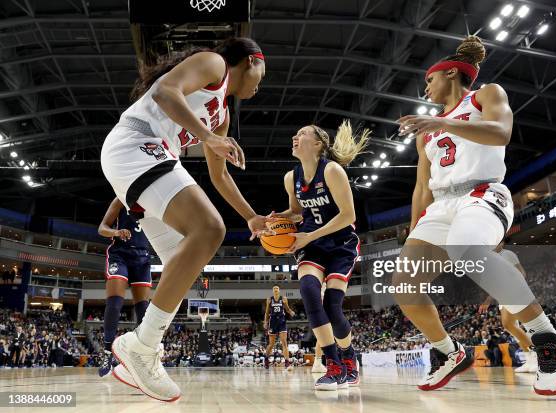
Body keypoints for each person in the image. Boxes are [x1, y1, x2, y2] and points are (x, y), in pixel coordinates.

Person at [393, 35, 556, 396]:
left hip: (482, 192)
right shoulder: (426, 132)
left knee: (466, 249)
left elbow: (501, 133)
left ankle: (549, 336)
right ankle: (450, 353)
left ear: (450, 73)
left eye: (429, 79)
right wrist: (415, 227)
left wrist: (444, 125)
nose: (425, 87)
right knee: (404, 285)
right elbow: (422, 186)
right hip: (440, 206)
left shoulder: (485, 95)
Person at [100, 37, 270, 401]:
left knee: (184, 262)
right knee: (209, 229)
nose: (261, 83)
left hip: (153, 157)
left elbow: (219, 176)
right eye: (261, 73)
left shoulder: (222, 113)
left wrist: (252, 217)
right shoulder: (215, 65)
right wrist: (207, 136)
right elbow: (164, 92)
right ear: (252, 61)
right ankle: (141, 347)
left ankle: (138, 354)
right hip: (137, 144)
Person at [269, 120, 368, 390]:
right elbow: (297, 212)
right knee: (310, 291)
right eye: (296, 132)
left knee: (333, 308)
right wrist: (273, 221)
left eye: (302, 133)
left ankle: (349, 357)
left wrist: (309, 235)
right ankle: (333, 365)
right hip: (311, 246)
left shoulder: (332, 171)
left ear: (318, 144)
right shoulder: (292, 177)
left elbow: (349, 215)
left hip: (340, 244)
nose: (295, 135)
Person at [97, 197, 153, 378]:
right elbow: (102, 228)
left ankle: (143, 358)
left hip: (143, 257)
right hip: (120, 254)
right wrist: (116, 232)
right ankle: (107, 353)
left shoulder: (155, 200)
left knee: (143, 310)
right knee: (114, 303)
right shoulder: (121, 198)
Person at [478, 241, 537, 373]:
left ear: (502, 244)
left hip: (514, 292)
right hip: (503, 296)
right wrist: (488, 299)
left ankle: (536, 356)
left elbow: (522, 273)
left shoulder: (507, 254)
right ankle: (530, 358)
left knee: (515, 325)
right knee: (509, 325)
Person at [263, 285, 296, 370]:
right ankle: (266, 359)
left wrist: (291, 311)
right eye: (274, 288)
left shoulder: (283, 298)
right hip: (273, 322)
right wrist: (265, 322)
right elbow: (267, 312)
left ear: (279, 290)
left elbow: (287, 309)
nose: (276, 290)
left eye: (277, 288)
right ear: (272, 291)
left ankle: (287, 362)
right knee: (271, 344)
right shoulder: (269, 299)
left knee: (284, 342)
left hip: (282, 321)